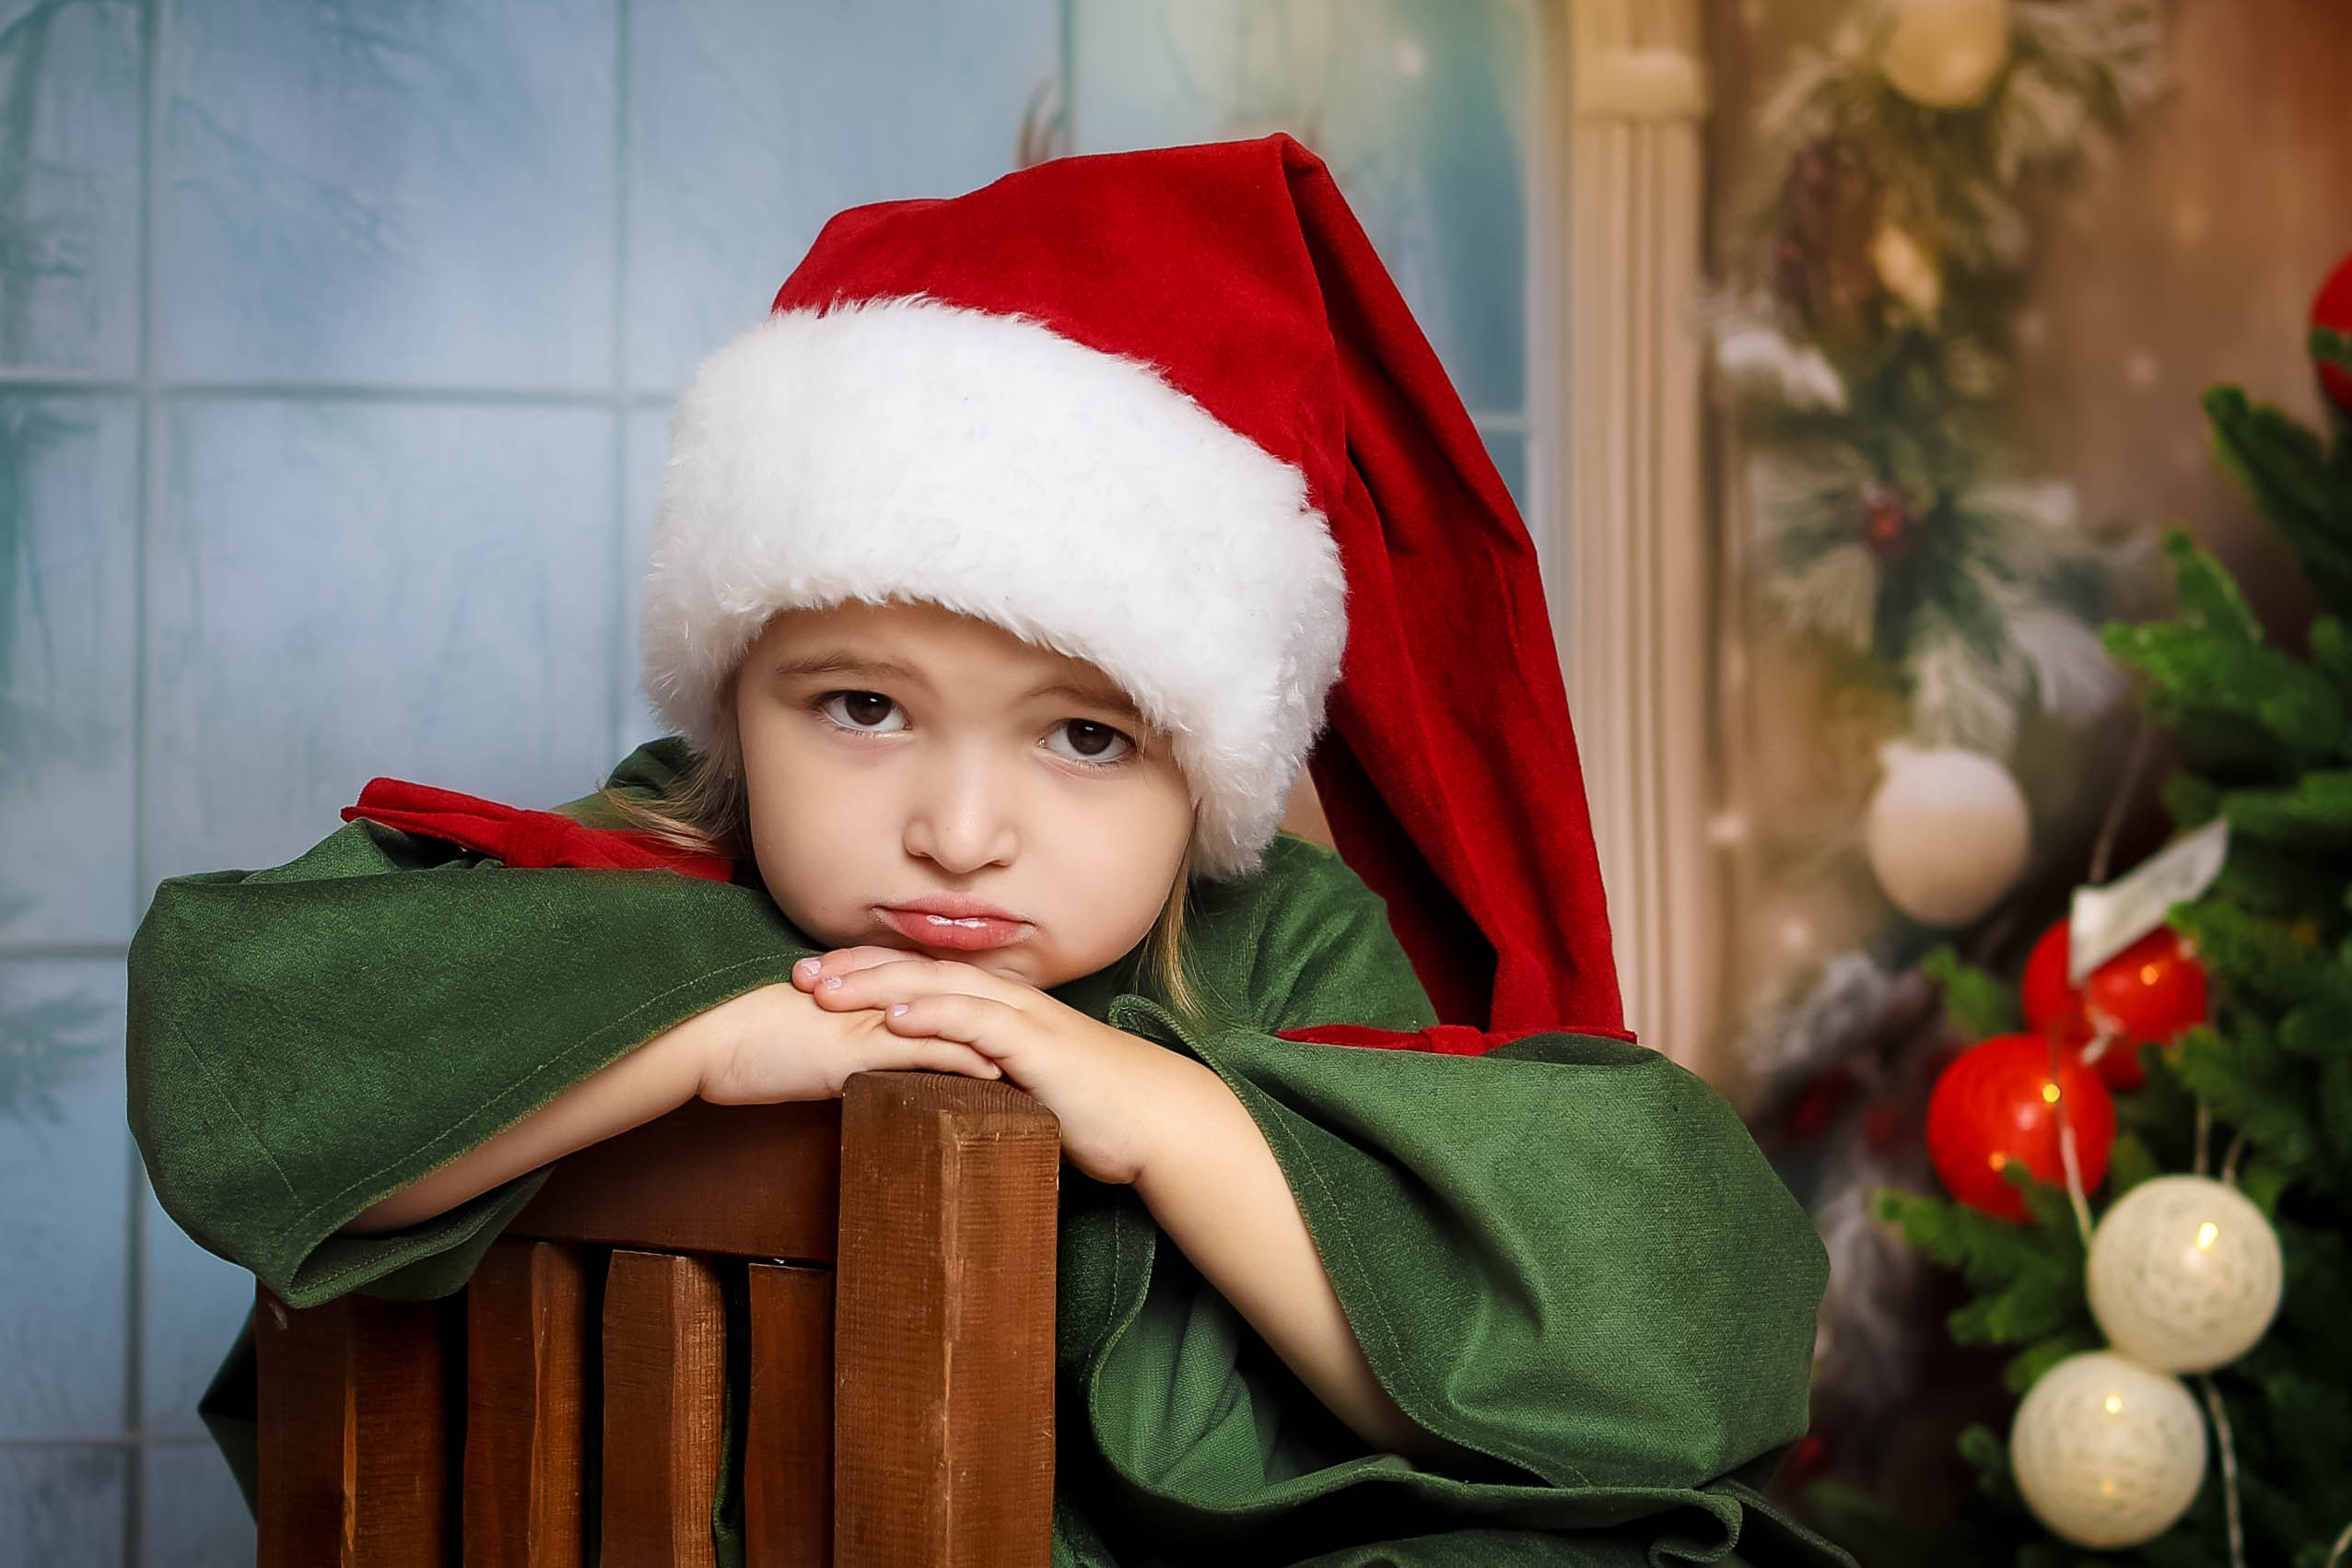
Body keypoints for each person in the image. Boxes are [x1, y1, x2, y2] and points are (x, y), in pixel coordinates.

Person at [127, 133, 1855, 1567]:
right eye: (860, 708)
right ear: (735, 695)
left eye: (1087, 736)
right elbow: (254, 1064)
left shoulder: (1284, 950)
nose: (956, 835)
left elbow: (1631, 1355)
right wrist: (719, 1040)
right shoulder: (647, 864)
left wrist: (1172, 1118)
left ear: (1208, 771)